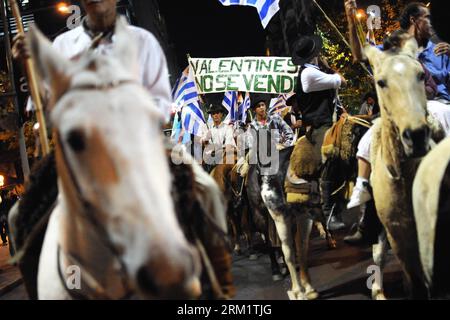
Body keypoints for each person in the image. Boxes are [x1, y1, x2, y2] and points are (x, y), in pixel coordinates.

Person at [344, 0, 450, 244]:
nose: (432, 25)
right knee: (370, 136)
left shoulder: (439, 46)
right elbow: (361, 54)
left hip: (438, 104)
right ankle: (365, 202)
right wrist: (351, 23)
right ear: (414, 21)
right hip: (404, 108)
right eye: (427, 19)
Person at [12, 0, 172, 122]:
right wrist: (28, 66)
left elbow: (162, 106)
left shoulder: (143, 41)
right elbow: (46, 104)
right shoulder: (63, 45)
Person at [292, 35, 348, 231]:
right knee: (331, 157)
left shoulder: (313, 71)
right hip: (320, 125)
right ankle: (329, 211)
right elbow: (342, 80)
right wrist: (331, 69)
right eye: (318, 52)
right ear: (315, 54)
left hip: (330, 120)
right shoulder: (309, 74)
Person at [201, 104, 236, 171]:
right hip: (210, 160)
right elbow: (202, 142)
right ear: (211, 116)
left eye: (217, 113)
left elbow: (228, 145)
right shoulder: (208, 129)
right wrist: (205, 140)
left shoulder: (227, 128)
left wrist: (220, 150)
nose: (215, 115)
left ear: (221, 114)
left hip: (224, 156)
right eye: (213, 113)